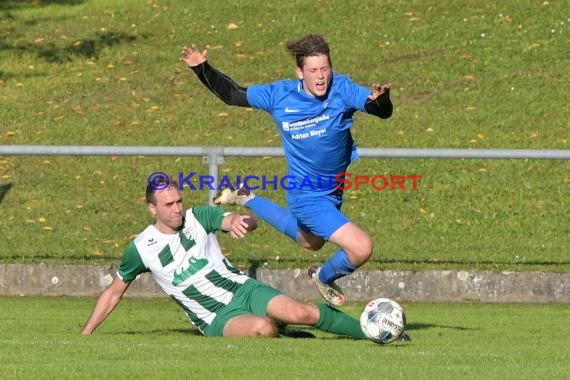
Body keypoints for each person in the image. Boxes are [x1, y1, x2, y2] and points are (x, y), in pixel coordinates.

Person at [181, 34, 393, 306]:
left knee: (311, 243)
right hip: (306, 196)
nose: (320, 77)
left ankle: (248, 198)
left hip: (333, 191)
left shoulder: (342, 89)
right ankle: (323, 277)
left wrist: (382, 100)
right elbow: (233, 94)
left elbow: (380, 110)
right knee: (361, 247)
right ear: (300, 72)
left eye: (325, 69)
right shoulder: (280, 95)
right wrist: (202, 69)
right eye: (313, 70)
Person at [80, 178, 367, 340]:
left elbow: (233, 220)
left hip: (245, 289)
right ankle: (285, 333)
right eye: (169, 204)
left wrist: (242, 222)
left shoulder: (198, 217)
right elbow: (114, 292)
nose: (178, 208)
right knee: (263, 329)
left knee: (303, 313)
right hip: (217, 317)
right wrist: (86, 334)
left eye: (179, 200)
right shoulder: (141, 248)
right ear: (151, 209)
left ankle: (371, 332)